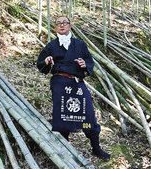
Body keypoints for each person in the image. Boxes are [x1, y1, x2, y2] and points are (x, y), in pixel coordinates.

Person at [37, 16, 110, 160]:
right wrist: (46, 61)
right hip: (60, 82)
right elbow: (41, 64)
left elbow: (89, 61)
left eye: (64, 22)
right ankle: (65, 147)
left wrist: (84, 64)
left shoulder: (80, 44)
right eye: (58, 23)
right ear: (55, 27)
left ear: (70, 26)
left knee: (88, 114)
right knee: (62, 115)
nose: (61, 25)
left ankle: (96, 147)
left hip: (77, 82)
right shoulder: (51, 46)